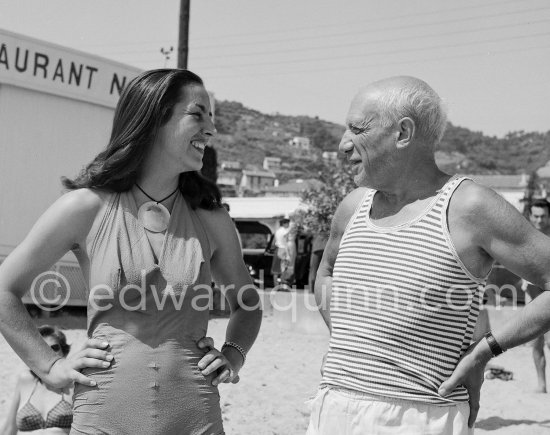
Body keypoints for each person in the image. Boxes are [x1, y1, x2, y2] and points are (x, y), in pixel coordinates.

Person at [0, 69, 261, 435]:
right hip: (103, 416)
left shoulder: (211, 219)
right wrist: (48, 367)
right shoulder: (84, 208)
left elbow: (248, 303)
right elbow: (4, 290)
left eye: (211, 117)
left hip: (195, 417)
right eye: (197, 114)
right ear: (154, 119)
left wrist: (233, 355)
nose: (210, 129)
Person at [308, 76, 550, 435]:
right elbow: (326, 272)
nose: (344, 144)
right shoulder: (353, 206)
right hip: (335, 408)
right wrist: (352, 338)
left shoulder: (469, 207)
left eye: (357, 129)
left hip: (423, 417)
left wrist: (485, 351)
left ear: (403, 133)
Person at [1, 325, 73, 435]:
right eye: (43, 348)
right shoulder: (25, 379)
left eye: (54, 348)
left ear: (65, 352)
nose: (48, 353)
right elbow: (8, 429)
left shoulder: (74, 383)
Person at [521, 198, 550, 392]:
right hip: (532, 292)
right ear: (530, 216)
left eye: (543, 216)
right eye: (536, 216)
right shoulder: (524, 237)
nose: (539, 220)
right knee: (537, 342)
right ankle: (542, 385)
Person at [271, 218, 290, 285]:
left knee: (275, 269)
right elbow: (286, 243)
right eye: (288, 223)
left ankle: (275, 284)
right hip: (283, 249)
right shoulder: (286, 231)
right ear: (284, 224)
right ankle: (282, 283)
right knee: (284, 268)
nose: (288, 225)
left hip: (277, 249)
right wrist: (288, 254)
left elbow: (273, 243)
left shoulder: (277, 231)